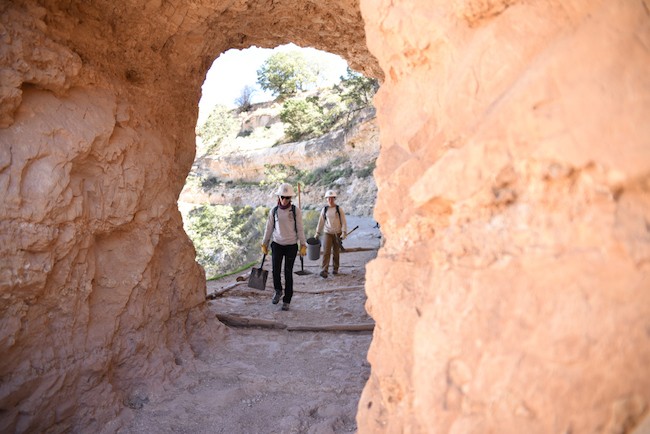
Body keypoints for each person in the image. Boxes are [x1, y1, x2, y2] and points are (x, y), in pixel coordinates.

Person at [261, 183, 307, 311]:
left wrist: (303, 244)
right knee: (275, 270)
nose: (285, 200)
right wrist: (264, 243)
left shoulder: (295, 211)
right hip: (277, 244)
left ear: (290, 198)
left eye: (287, 197)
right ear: (279, 197)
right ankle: (278, 291)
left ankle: (287, 300)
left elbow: (300, 228)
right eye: (283, 197)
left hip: (291, 245)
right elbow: (269, 228)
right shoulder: (274, 211)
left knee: (288, 273)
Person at [314, 190, 347, 278]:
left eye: (332, 198)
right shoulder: (324, 209)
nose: (330, 200)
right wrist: (317, 232)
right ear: (326, 199)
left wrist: (343, 232)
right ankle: (324, 270)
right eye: (328, 198)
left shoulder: (338, 209)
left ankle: (335, 269)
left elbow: (343, 221)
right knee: (326, 251)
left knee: (336, 252)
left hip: (337, 233)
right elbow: (321, 221)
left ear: (334, 199)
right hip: (327, 232)